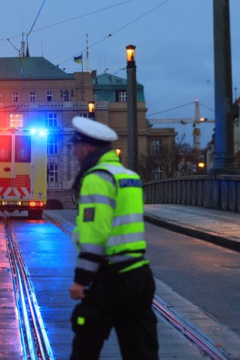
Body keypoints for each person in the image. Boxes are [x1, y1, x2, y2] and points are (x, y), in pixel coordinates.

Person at [68, 116, 158, 360]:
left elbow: (95, 233)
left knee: (86, 344)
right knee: (141, 349)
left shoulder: (96, 179)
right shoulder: (128, 176)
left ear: (87, 148)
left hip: (112, 276)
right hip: (140, 272)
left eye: (75, 148)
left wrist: (81, 280)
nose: (74, 154)